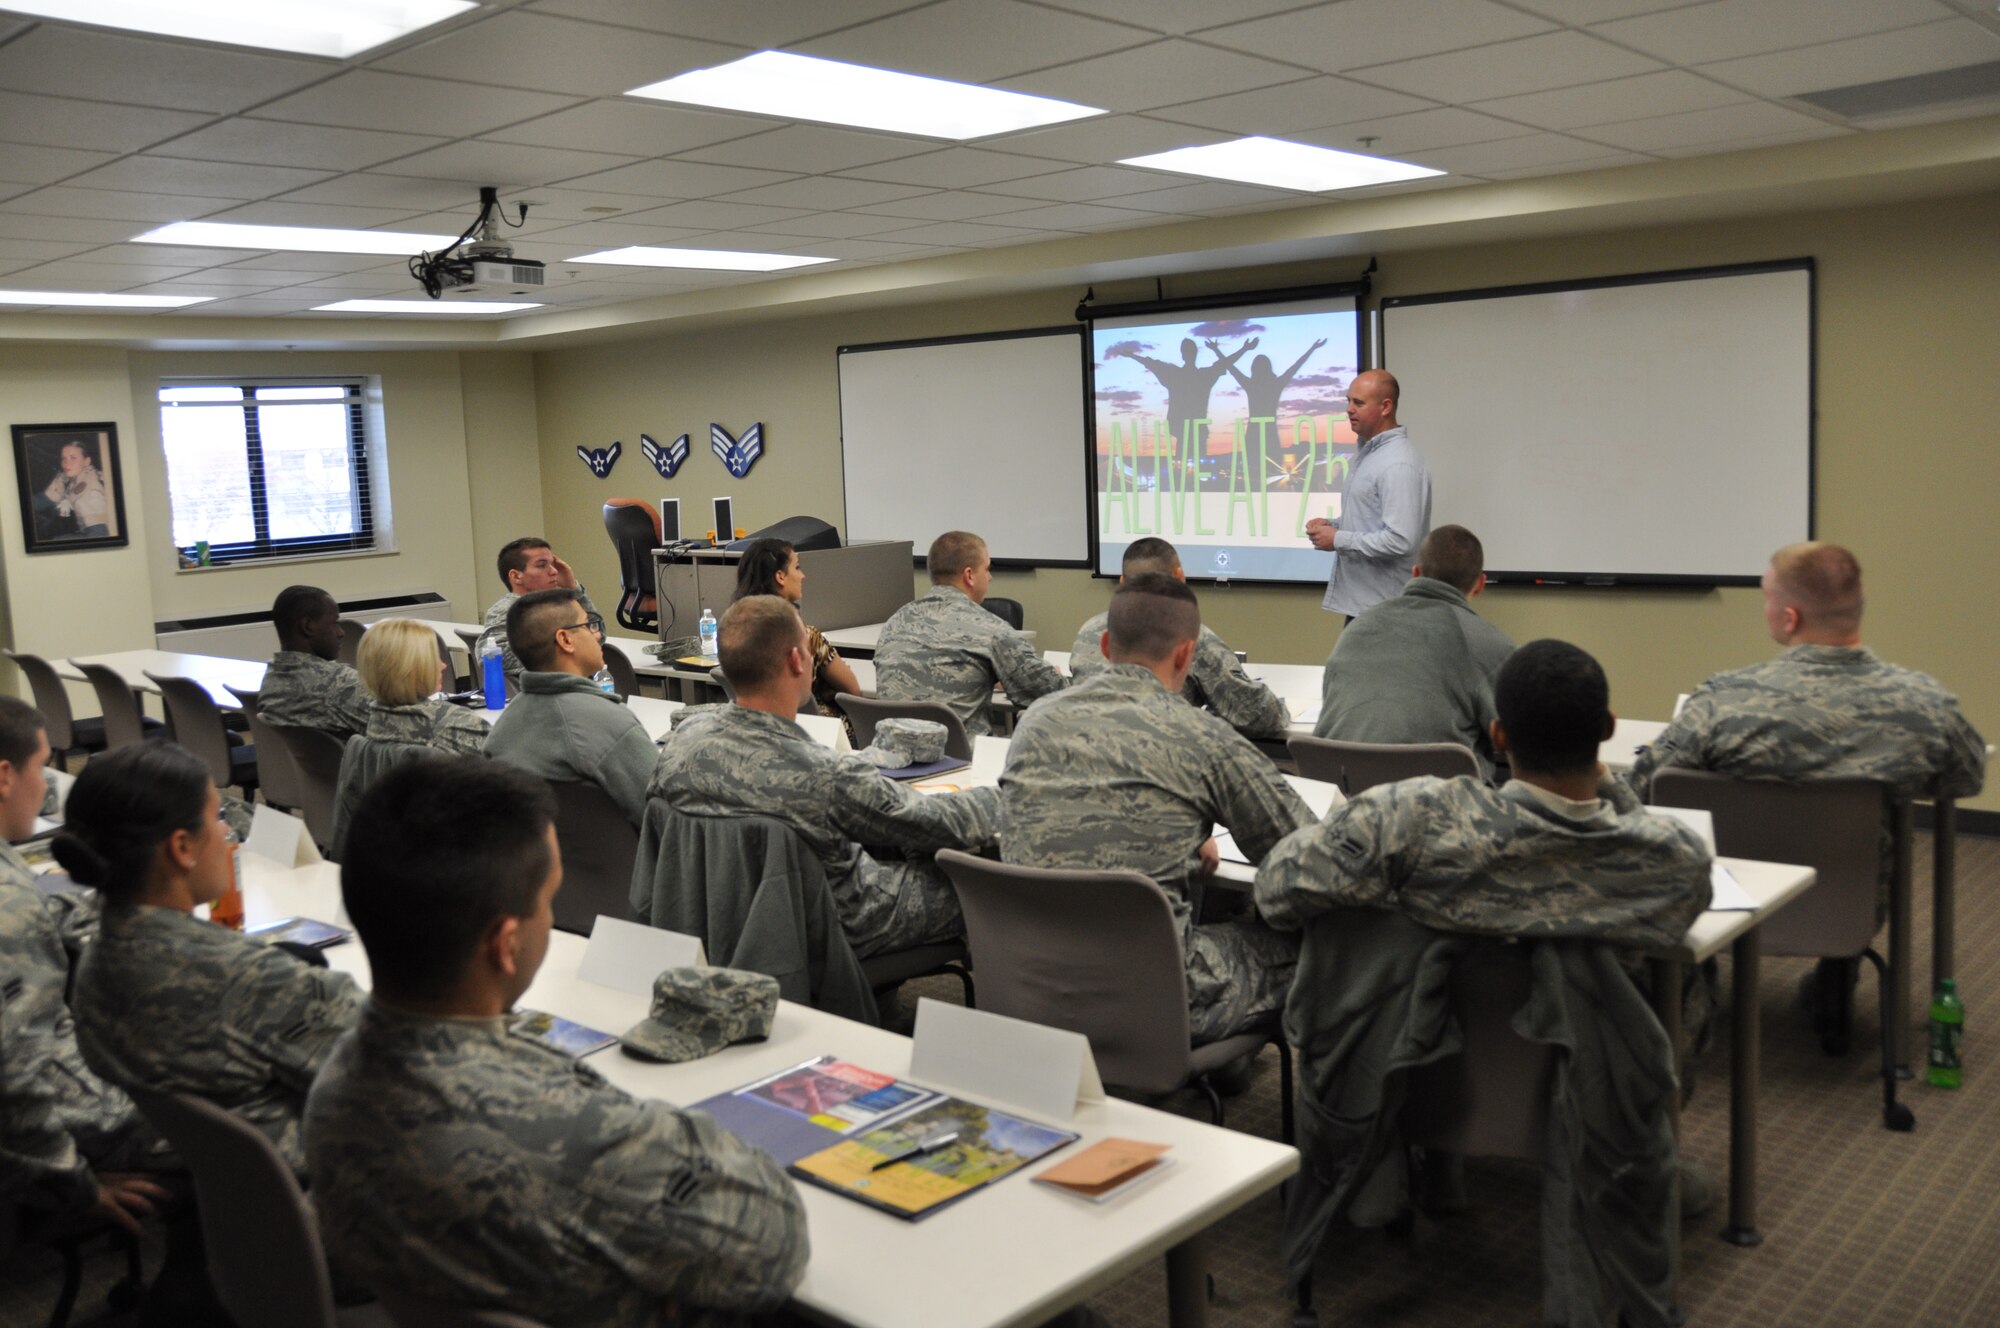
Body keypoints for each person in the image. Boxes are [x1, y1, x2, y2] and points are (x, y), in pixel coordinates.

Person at [1258, 640, 1716, 1285]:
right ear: (1607, 731)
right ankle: (1651, 1156)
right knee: (1696, 971)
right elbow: (1682, 888)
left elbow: (1278, 887)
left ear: (1498, 734)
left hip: (1413, 1070)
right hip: (1584, 1088)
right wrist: (1608, 784)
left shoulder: (1412, 818)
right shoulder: (1668, 860)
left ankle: (1424, 1160)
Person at [305, 757, 807, 1328]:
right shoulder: (570, 1133)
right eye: (548, 899)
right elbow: (775, 1238)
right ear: (506, 943)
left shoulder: (335, 1080)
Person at [1626, 541, 1986, 1019]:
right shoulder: (1925, 705)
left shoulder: (1722, 701)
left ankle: (1693, 992)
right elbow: (1965, 777)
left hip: (1725, 898)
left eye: (1766, 597)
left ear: (1789, 617)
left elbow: (1643, 785)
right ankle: (1839, 971)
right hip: (1848, 903)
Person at [1002, 574, 1312, 1045]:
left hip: (1030, 983)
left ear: (1105, 645)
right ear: (1187, 654)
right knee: (1319, 951)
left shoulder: (1034, 723)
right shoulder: (1203, 738)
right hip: (1157, 997)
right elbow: (1303, 850)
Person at [62, 742, 363, 1177]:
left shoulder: (94, 960)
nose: (227, 833)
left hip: (215, 1184)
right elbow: (388, 1060)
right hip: (314, 1183)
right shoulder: (246, 978)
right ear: (182, 847)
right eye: (217, 818)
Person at [653, 596, 1001, 958]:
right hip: (835, 919)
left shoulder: (680, 746)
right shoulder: (821, 771)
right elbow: (931, 821)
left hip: (722, 913)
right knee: (981, 888)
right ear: (796, 660)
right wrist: (1006, 795)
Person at [0, 698, 170, 1233]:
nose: (48, 788)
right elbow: (14, 1075)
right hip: (78, 1118)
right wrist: (71, 1182)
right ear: (5, 776)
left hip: (53, 1092)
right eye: (42, 766)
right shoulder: (10, 908)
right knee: (229, 1098)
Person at [1313, 524, 1516, 779]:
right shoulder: (1491, 645)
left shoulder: (1357, 628)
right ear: (1480, 584)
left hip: (1346, 798)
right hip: (1441, 809)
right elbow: (1520, 741)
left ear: (1416, 573)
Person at [1069, 536, 1288, 740]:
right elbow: (1258, 715)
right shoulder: (1190, 637)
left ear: (1122, 581)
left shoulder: (1089, 631)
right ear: (1180, 577)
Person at [485, 588, 659, 828]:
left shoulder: (502, 731)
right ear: (565, 640)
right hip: (621, 864)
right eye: (588, 626)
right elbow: (659, 812)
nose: (597, 635)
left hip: (536, 862)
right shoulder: (610, 722)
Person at [874, 530, 1068, 738]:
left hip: (893, 759)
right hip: (959, 761)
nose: (990, 577)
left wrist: (987, 674)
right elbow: (1053, 692)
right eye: (987, 569)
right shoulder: (991, 629)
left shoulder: (895, 623)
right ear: (969, 576)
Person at [1305, 369, 1431, 619]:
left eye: (1358, 403)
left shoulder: (1397, 464)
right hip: (1366, 608)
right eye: (1348, 401)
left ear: (1386, 407)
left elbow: (1400, 540)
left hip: (1386, 612)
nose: (1349, 409)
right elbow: (1372, 519)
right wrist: (1332, 525)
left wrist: (1338, 538)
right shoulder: (1370, 454)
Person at [731, 536, 860, 716]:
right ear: (780, 577)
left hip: (760, 730)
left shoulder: (734, 635)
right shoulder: (806, 637)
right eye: (797, 567)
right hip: (819, 734)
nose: (802, 575)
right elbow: (854, 690)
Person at [476, 537, 606, 686]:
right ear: (516, 576)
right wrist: (559, 654)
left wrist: (573, 589)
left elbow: (598, 635)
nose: (554, 571)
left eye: (553, 564)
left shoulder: (553, 605)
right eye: (542, 565)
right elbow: (491, 657)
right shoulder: (507, 609)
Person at [354, 618, 489, 758]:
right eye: (433, 658)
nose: (443, 666)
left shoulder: (372, 719)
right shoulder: (454, 723)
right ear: (410, 668)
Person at [258, 584, 371, 742]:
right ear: (308, 626)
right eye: (334, 622)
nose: (341, 632)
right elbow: (402, 732)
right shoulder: (342, 685)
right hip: (352, 766)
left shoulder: (271, 678)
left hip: (301, 767)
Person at [44, 440, 112, 538]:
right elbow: (47, 498)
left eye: (73, 458)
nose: (66, 463)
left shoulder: (90, 489)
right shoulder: (70, 475)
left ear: (86, 461)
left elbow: (99, 533)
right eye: (64, 458)